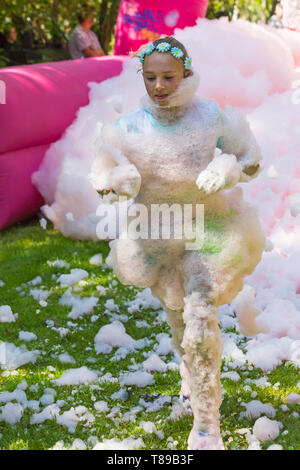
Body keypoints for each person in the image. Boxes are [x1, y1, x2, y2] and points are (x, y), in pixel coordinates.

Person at [89, 36, 265, 450]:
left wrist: (228, 168)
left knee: (200, 320)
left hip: (210, 230)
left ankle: (207, 427)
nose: (159, 86)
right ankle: (190, 383)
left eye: (169, 77)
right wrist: (113, 180)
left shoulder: (210, 116)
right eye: (150, 78)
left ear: (187, 73)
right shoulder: (131, 125)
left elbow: (251, 158)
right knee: (178, 320)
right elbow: (102, 167)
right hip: (157, 233)